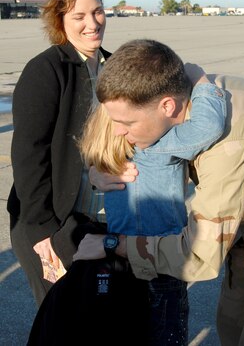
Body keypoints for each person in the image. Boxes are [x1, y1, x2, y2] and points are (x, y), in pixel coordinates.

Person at [75, 69, 244, 344]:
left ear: (166, 106)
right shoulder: (162, 102)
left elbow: (197, 258)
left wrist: (113, 244)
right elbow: (101, 135)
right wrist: (97, 171)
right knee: (233, 320)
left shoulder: (219, 145)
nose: (120, 130)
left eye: (127, 123)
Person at [78, 38, 227, 345]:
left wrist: (93, 174)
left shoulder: (106, 147)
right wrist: (199, 80)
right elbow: (208, 126)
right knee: (165, 334)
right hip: (161, 261)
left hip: (119, 259)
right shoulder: (160, 143)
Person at [6, 0, 138, 307]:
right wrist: (45, 233)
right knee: (62, 320)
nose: (92, 24)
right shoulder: (47, 70)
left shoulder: (114, 67)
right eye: (79, 15)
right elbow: (28, 157)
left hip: (100, 221)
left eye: (97, 11)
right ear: (60, 19)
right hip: (53, 222)